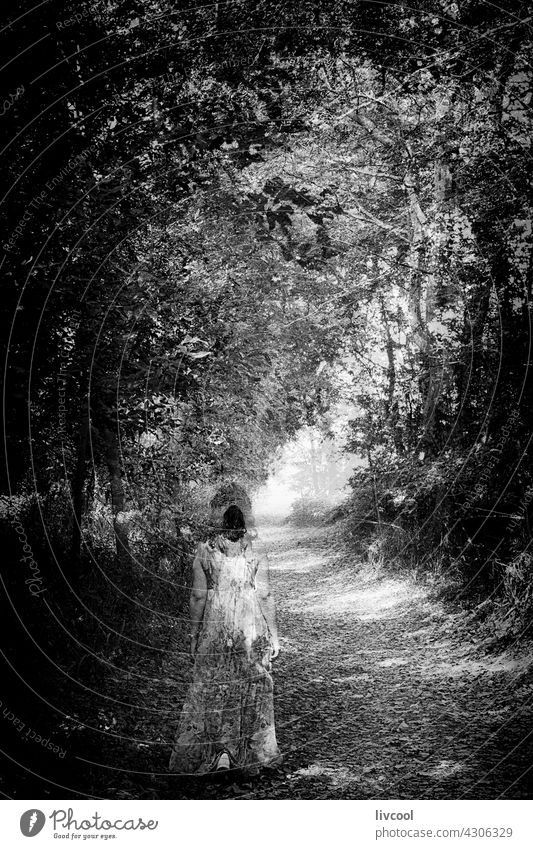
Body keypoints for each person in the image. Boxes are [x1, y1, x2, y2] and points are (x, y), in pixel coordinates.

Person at [169, 485, 282, 775]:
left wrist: (194, 635)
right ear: (246, 523)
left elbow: (198, 596)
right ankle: (250, 754)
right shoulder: (256, 552)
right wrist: (274, 633)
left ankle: (219, 753)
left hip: (216, 627)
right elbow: (265, 594)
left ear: (221, 523)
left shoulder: (205, 551)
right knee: (251, 685)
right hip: (249, 625)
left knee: (212, 686)